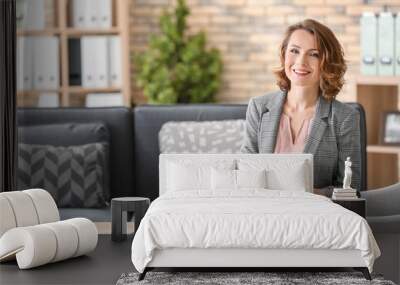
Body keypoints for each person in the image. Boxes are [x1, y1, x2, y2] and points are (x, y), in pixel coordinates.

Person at [240, 19, 361, 195]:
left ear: (327, 62)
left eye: (314, 54)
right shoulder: (259, 108)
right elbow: (244, 174)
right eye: (294, 51)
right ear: (284, 55)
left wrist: (309, 193)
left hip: (315, 216)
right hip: (263, 212)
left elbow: (351, 189)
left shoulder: (344, 118)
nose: (301, 61)